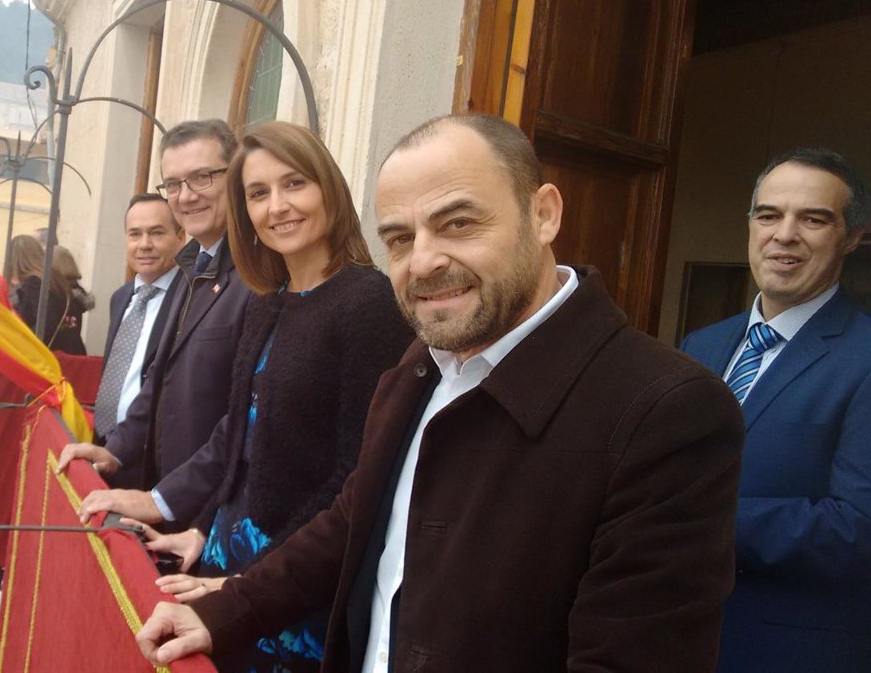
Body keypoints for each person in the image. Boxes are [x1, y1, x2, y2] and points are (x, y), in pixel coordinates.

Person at [135, 114, 746, 671]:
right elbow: (351, 519)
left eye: (458, 223)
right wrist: (225, 610)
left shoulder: (668, 409)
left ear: (545, 214)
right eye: (400, 238)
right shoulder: (419, 364)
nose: (424, 262)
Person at [130, 121, 414, 671]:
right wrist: (203, 528)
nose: (277, 206)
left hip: (293, 589)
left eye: (295, 184)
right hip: (225, 565)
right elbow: (243, 437)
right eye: (258, 194)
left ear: (329, 189)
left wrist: (252, 581)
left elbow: (356, 478)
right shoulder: (268, 300)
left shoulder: (368, 304)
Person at [681, 148, 871, 672]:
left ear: (853, 237)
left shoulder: (865, 357)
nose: (784, 234)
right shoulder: (701, 345)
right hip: (676, 638)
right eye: (768, 215)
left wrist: (689, 516)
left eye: (813, 218)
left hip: (789, 652)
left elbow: (857, 529)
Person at [58, 119, 253, 524]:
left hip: (213, 515)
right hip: (171, 498)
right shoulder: (190, 269)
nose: (186, 196)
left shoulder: (258, 275)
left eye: (202, 177)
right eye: (174, 183)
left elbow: (245, 420)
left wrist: (166, 503)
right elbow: (157, 385)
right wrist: (116, 451)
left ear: (235, 178)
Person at [90, 193, 183, 469]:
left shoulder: (191, 298)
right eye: (135, 234)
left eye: (156, 233)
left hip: (152, 459)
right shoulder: (120, 298)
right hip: (104, 447)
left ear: (180, 237)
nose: (145, 245)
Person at [5, 235, 85, 354]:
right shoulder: (54, 277)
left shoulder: (35, 282)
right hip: (70, 352)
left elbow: (45, 324)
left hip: (50, 357)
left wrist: (20, 344)